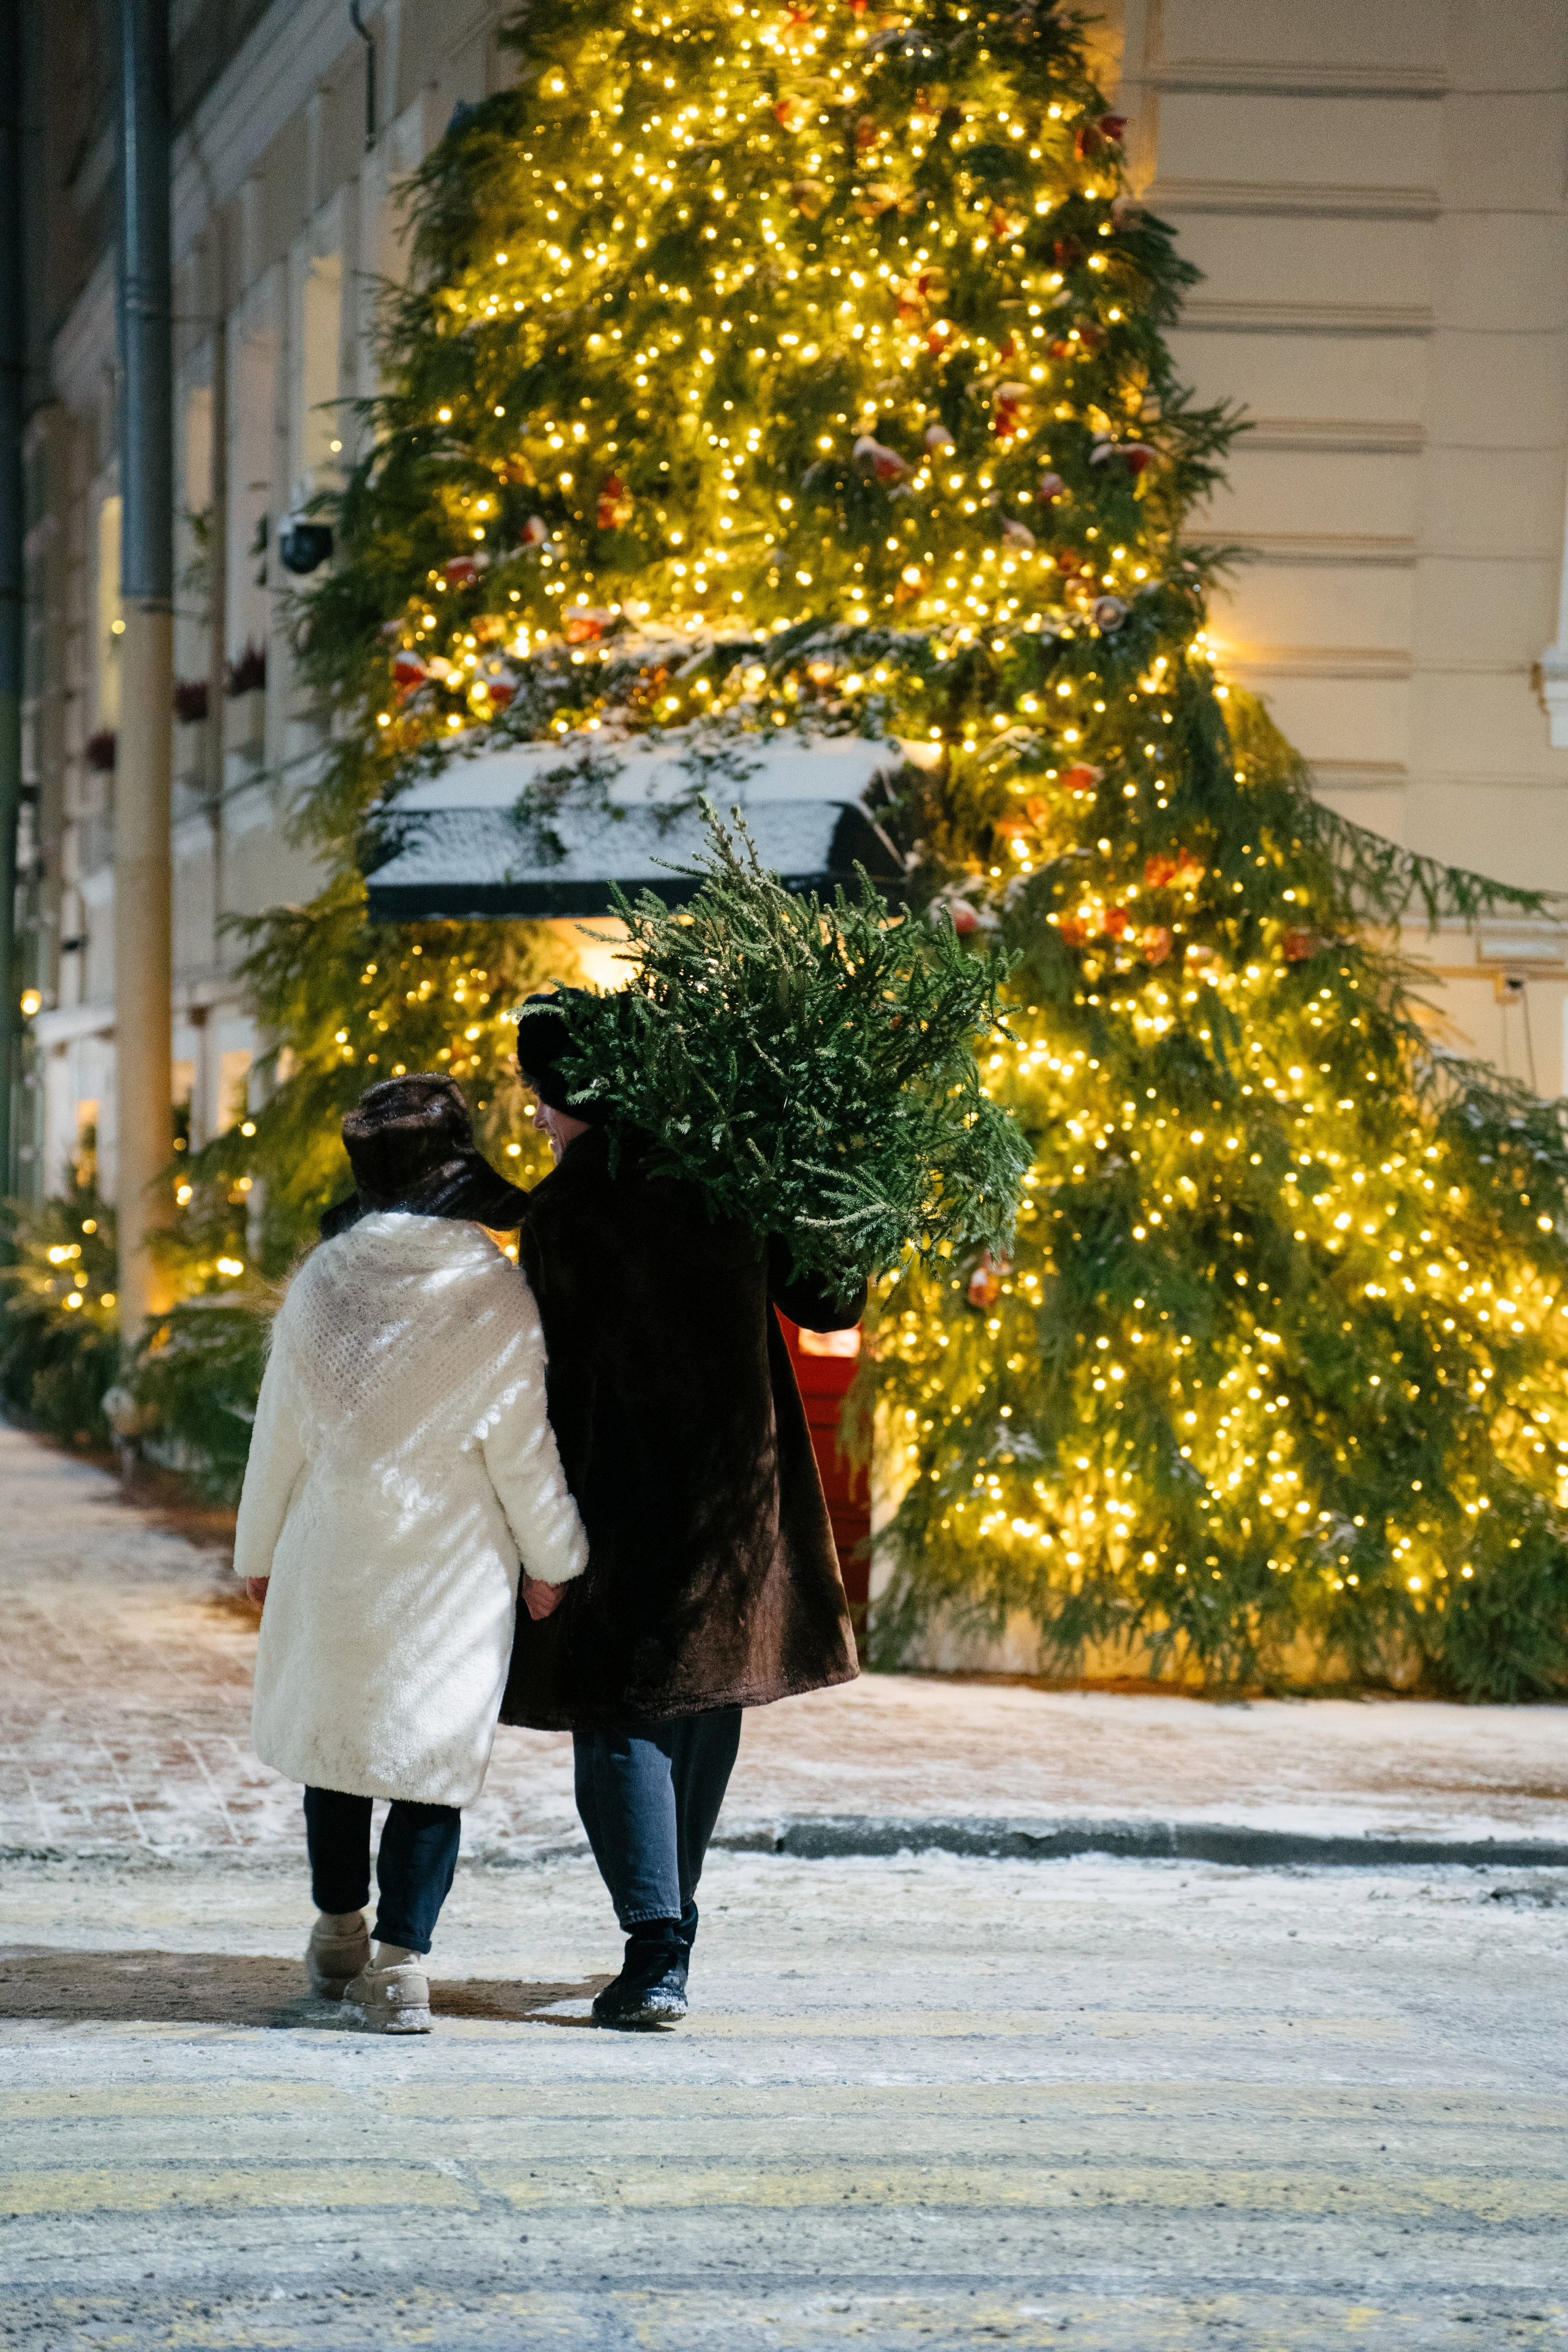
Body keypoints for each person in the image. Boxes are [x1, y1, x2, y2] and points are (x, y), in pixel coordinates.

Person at [503, 990, 865, 2029]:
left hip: (614, 1505)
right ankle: (673, 1925)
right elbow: (829, 1303)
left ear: (581, 1092)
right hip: (736, 1506)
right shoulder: (729, 1180)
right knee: (704, 1706)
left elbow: (544, 1382)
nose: (537, 1117)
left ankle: (658, 1943)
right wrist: (843, 1179)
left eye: (542, 1096)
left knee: (619, 1719)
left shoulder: (567, 1213)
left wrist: (536, 1534)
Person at [233, 1074, 587, 2034]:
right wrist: (553, 1557)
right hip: (452, 1570)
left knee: (337, 1753)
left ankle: (338, 1931)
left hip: (335, 1552)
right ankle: (400, 1966)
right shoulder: (492, 1293)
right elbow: (524, 1447)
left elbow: (281, 1436)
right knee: (432, 1764)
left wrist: (256, 1549)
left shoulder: (324, 1281)